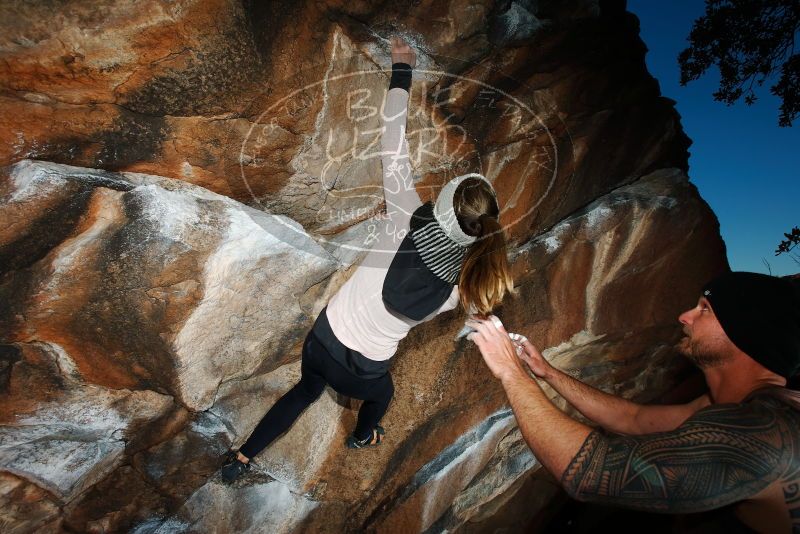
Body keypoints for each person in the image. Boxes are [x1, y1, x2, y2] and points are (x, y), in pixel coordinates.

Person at [221, 36, 515, 483]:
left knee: (304, 391)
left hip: (321, 339)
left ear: (447, 202)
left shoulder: (405, 212)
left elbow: (390, 135)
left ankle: (241, 458)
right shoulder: (461, 288)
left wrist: (402, 68)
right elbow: (449, 286)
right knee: (382, 397)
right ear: (480, 236)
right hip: (363, 373)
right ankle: (363, 435)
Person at [467, 271, 800, 532]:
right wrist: (546, 372)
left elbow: (592, 473)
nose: (685, 316)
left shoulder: (760, 433)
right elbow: (634, 419)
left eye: (705, 309)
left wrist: (510, 371)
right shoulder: (726, 405)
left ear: (744, 334)